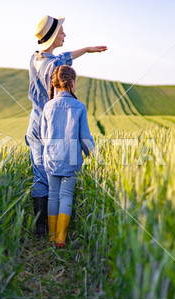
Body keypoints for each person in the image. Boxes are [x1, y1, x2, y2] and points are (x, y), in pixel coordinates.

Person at [26, 15, 106, 238]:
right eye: (61, 31)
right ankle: (49, 233)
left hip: (36, 126)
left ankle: (41, 229)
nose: (64, 34)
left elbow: (62, 57)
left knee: (40, 175)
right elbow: (61, 65)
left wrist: (87, 50)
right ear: (53, 36)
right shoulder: (56, 67)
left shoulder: (35, 58)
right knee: (48, 180)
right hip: (53, 128)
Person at [40, 65, 95, 248]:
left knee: (53, 196)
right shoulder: (79, 106)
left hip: (51, 157)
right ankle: (61, 240)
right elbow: (84, 137)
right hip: (71, 158)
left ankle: (51, 237)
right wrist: (93, 155)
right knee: (66, 197)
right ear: (71, 83)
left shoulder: (48, 106)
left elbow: (42, 135)